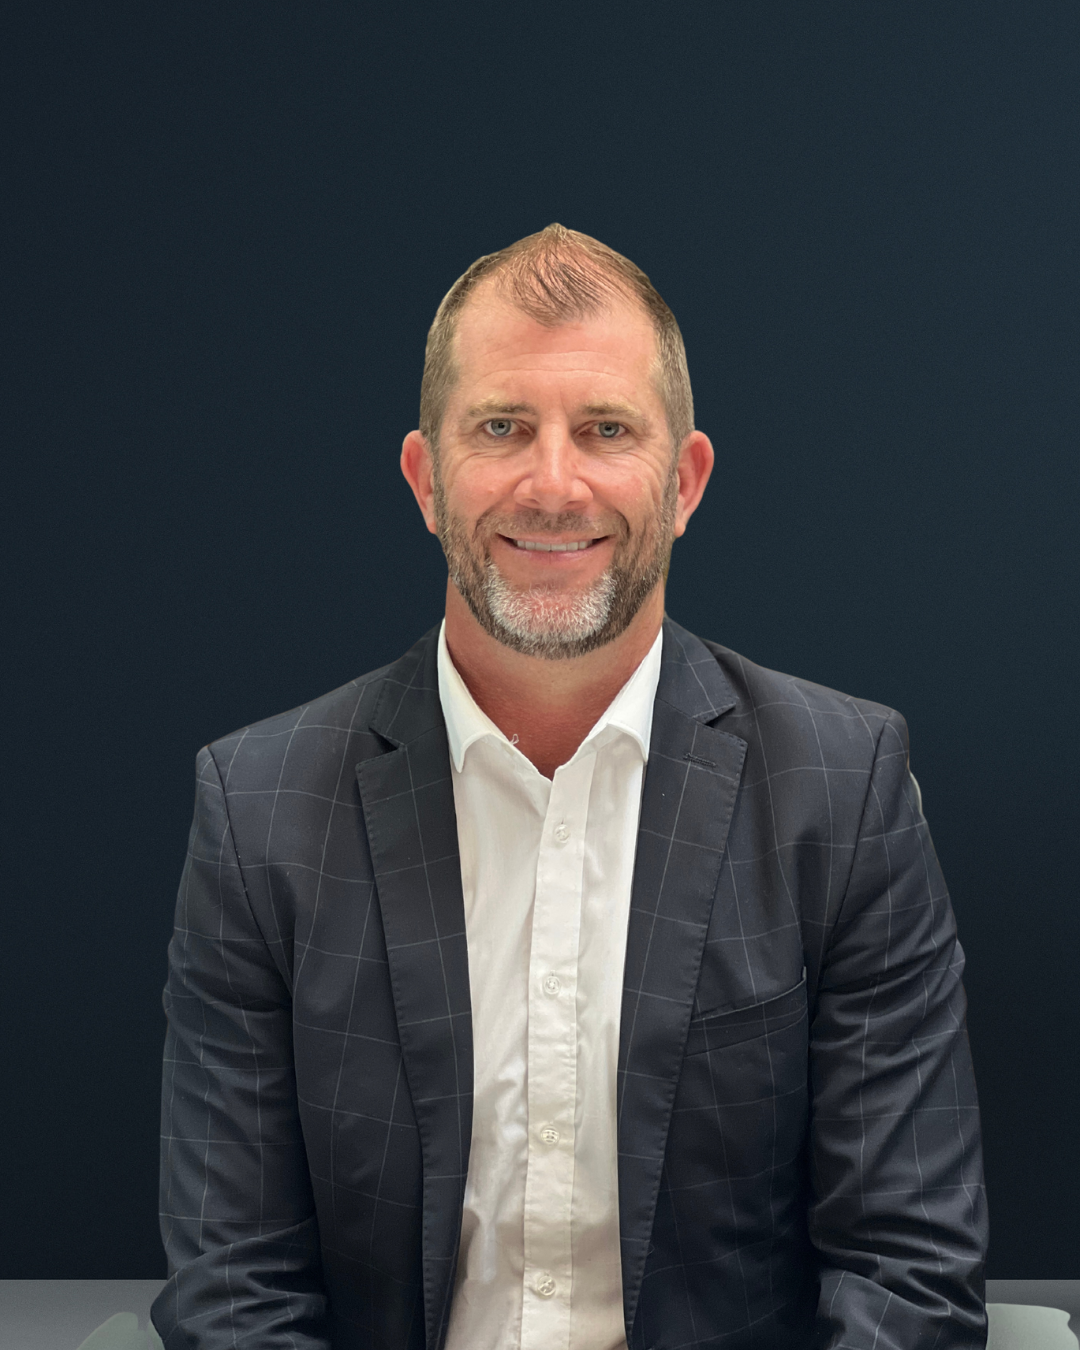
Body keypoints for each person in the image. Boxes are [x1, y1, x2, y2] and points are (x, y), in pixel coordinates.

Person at [153, 225, 987, 1350]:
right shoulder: (260, 812)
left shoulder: (841, 789)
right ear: (427, 480)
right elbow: (235, 1291)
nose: (555, 483)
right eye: (502, 428)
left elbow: (908, 1275)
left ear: (684, 480)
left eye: (606, 430)